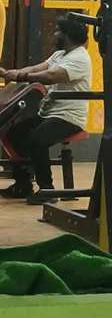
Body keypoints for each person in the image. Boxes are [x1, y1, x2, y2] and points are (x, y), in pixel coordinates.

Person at [0, 14, 92, 202]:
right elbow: (37, 69)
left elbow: (50, 76)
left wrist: (21, 77)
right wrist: (11, 73)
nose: (54, 34)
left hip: (68, 118)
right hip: (49, 114)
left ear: (67, 35)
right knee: (14, 133)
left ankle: (47, 190)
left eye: (58, 31)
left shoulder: (80, 58)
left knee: (36, 140)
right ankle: (23, 185)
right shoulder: (60, 55)